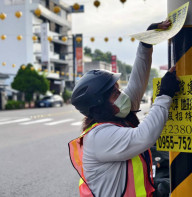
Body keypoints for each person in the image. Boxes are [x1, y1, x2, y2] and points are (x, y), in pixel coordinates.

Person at [69, 20, 180, 197]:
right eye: (114, 93)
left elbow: (137, 82)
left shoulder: (116, 116)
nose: (121, 95)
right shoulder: (99, 137)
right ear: (100, 105)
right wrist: (164, 95)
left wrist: (146, 43)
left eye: (118, 89)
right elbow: (144, 136)